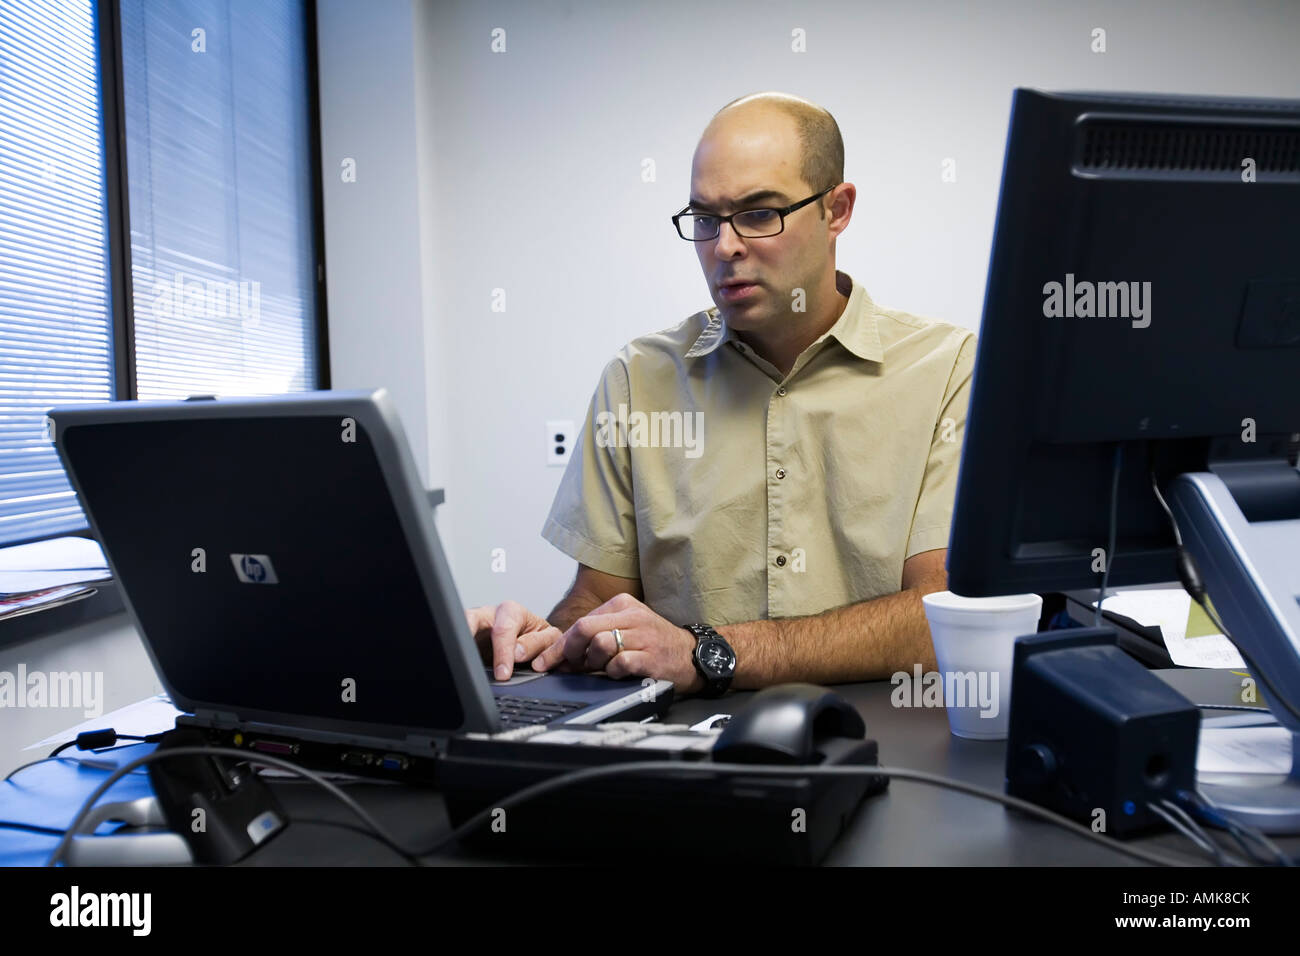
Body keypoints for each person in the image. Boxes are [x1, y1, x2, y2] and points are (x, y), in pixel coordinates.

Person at [467, 91, 975, 697]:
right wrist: (539, 648)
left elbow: (946, 613)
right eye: (705, 219)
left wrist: (707, 652)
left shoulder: (948, 370)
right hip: (686, 757)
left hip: (891, 747)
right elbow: (598, 604)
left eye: (760, 214)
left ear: (837, 210)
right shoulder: (638, 380)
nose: (725, 247)